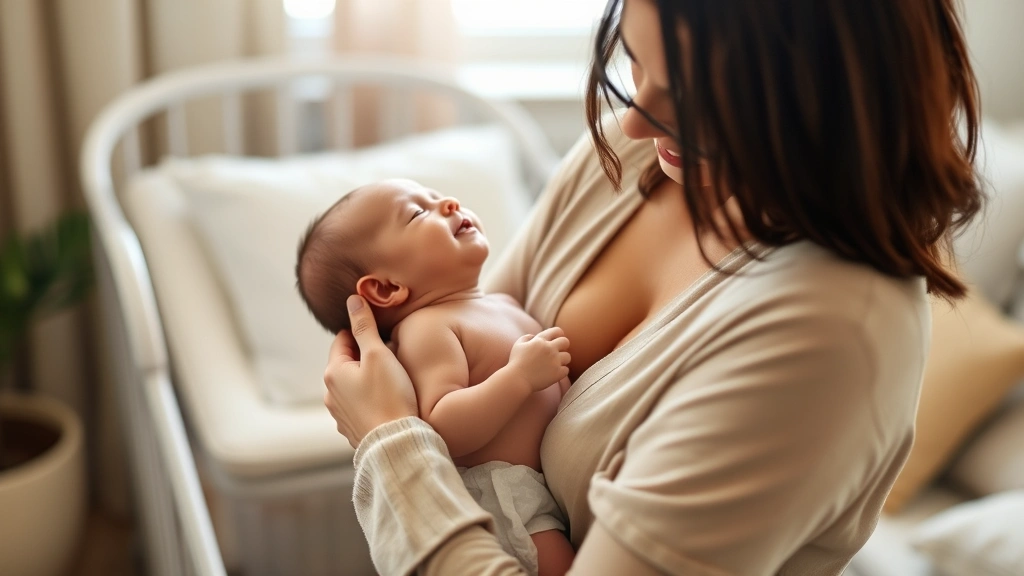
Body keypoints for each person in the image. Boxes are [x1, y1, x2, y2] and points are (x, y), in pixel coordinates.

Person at [321, 0, 984, 574]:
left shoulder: (828, 332)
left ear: (828, 98)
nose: (635, 120)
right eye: (634, 60)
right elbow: (469, 330)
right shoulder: (632, 153)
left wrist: (389, 443)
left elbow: (423, 426)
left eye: (695, 99)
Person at [294, 179, 576, 576]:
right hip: (506, 499)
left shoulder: (501, 302)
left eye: (435, 195)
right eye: (417, 213)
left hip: (539, 486)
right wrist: (517, 377)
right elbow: (443, 424)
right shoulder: (428, 329)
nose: (447, 202)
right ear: (386, 287)